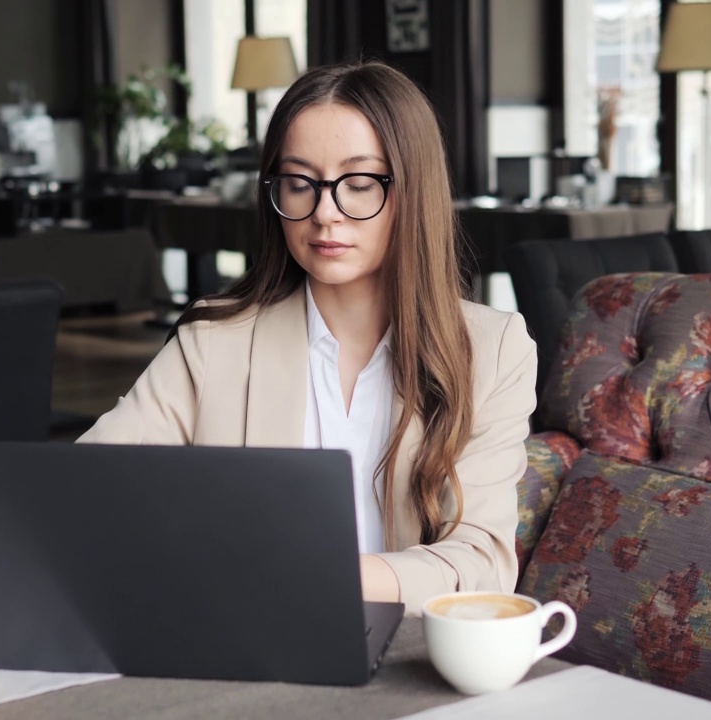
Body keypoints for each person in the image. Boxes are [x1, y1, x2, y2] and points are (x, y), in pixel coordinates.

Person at [79, 60, 536, 612]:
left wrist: (312, 576)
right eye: (299, 184)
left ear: (415, 192)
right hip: (240, 639)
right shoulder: (215, 340)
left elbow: (482, 564)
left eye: (360, 184)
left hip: (407, 658)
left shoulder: (494, 349)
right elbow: (90, 489)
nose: (324, 214)